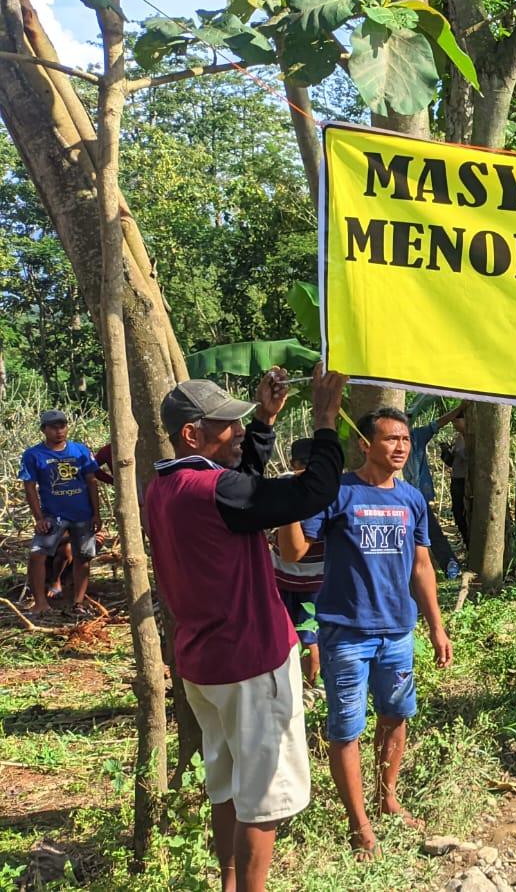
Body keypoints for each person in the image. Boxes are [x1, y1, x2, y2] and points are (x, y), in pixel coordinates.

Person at [143, 365, 347, 892]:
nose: (237, 431)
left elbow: (243, 493)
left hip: (204, 666)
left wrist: (264, 423)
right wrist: (325, 420)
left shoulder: (164, 486)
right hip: (251, 663)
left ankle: (229, 884)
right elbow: (312, 492)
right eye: (227, 425)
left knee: (228, 787)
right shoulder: (215, 491)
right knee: (263, 799)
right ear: (193, 434)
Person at [281, 406, 453, 858]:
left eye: (406, 439)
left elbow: (422, 567)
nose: (401, 446)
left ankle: (387, 798)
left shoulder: (412, 499)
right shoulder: (339, 493)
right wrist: (291, 502)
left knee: (395, 716)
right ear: (364, 443)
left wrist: (436, 626)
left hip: (398, 632)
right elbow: (294, 551)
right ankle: (359, 825)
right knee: (347, 730)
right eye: (391, 438)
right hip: (346, 634)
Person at [22, 410, 103, 616]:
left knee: (83, 557)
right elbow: (29, 487)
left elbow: (92, 481)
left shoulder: (80, 451)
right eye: (53, 427)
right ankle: (40, 603)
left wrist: (97, 513)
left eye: (62, 426)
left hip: (82, 514)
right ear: (44, 430)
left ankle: (78, 603)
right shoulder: (33, 455)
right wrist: (39, 518)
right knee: (37, 554)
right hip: (52, 516)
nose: (59, 431)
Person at [272, 439, 327, 687]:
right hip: (283, 579)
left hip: (313, 582)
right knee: (290, 636)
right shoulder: (286, 484)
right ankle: (298, 685)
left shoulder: (325, 491)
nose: (306, 470)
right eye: (303, 464)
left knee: (308, 638)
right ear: (293, 464)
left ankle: (311, 687)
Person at [406, 401, 467, 578]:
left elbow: (438, 423)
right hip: (395, 496)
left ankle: (449, 564)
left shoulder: (417, 437)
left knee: (431, 530)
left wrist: (459, 408)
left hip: (417, 495)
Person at [441, 409, 472, 559]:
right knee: (458, 512)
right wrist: (446, 452)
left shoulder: (470, 438)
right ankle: (468, 544)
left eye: (457, 420)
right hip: (456, 479)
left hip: (465, 481)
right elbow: (453, 462)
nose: (454, 423)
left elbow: (470, 457)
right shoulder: (458, 437)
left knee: (466, 513)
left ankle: (471, 545)